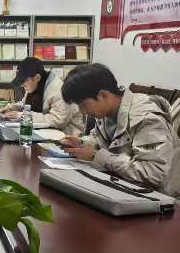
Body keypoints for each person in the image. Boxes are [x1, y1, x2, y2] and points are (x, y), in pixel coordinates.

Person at [60, 63, 180, 193]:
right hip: (123, 187)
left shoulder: (147, 118)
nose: (82, 111)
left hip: (159, 197)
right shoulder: (106, 112)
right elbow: (103, 142)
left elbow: (153, 173)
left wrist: (96, 155)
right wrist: (82, 143)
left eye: (83, 104)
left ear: (104, 95)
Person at [0, 57, 84, 135]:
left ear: (37, 78)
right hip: (46, 134)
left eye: (24, 81)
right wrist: (11, 108)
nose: (22, 85)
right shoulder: (34, 85)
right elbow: (25, 104)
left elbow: (58, 121)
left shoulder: (58, 89)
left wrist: (22, 115)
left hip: (67, 137)